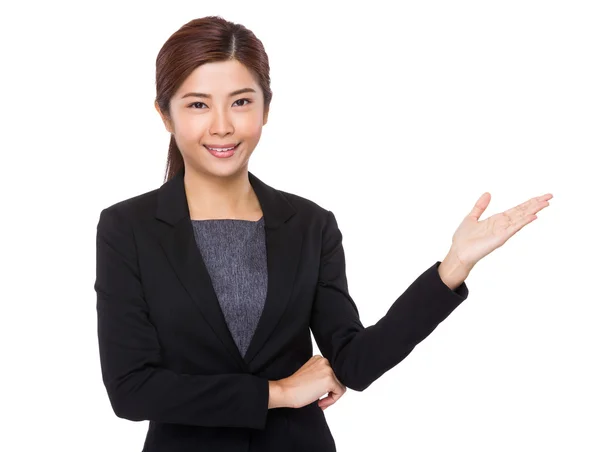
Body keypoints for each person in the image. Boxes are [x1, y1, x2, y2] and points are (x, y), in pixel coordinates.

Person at [94, 15, 552, 452]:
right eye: (198, 104)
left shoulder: (310, 225)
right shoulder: (127, 229)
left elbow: (354, 361)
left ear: (266, 108)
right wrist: (278, 392)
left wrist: (453, 266)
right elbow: (132, 390)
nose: (222, 125)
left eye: (241, 101)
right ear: (165, 114)